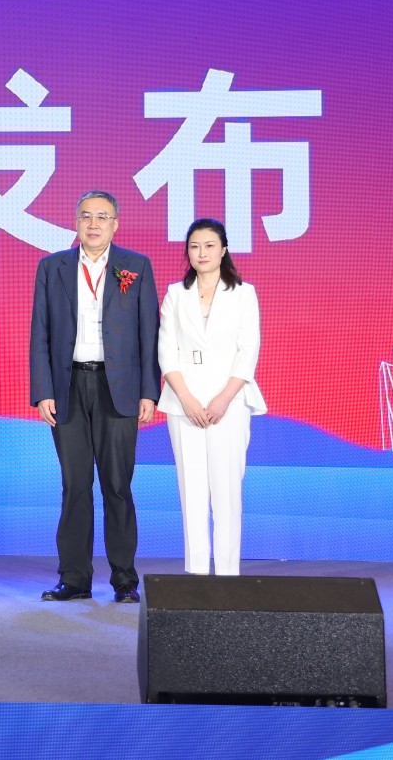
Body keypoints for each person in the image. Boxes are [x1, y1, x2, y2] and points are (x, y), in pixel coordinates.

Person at [29, 190, 159, 604]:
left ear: (115, 224)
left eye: (102, 216)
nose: (94, 223)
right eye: (86, 216)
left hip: (117, 389)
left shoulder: (136, 266)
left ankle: (124, 580)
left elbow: (149, 334)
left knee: (117, 485)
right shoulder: (52, 267)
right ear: (76, 222)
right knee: (75, 485)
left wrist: (149, 391)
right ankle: (74, 578)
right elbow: (40, 333)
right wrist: (43, 391)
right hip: (67, 387)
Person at [157, 218, 266, 577]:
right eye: (194, 246)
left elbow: (248, 351)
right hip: (183, 404)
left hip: (228, 403)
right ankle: (197, 575)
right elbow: (166, 352)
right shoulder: (176, 294)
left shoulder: (243, 293)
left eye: (208, 246)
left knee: (226, 491)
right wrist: (186, 399)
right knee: (191, 490)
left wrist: (224, 399)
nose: (201, 253)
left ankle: (228, 575)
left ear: (223, 250)